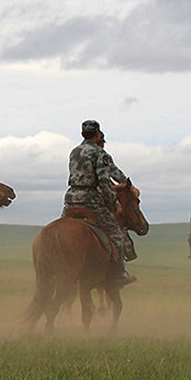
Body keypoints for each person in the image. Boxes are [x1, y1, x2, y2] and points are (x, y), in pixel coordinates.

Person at [63, 119, 135, 286]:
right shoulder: (100, 154)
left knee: (63, 223)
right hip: (91, 199)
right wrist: (114, 201)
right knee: (116, 233)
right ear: (97, 134)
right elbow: (104, 181)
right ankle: (118, 275)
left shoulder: (74, 152)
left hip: (71, 198)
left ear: (82, 135)